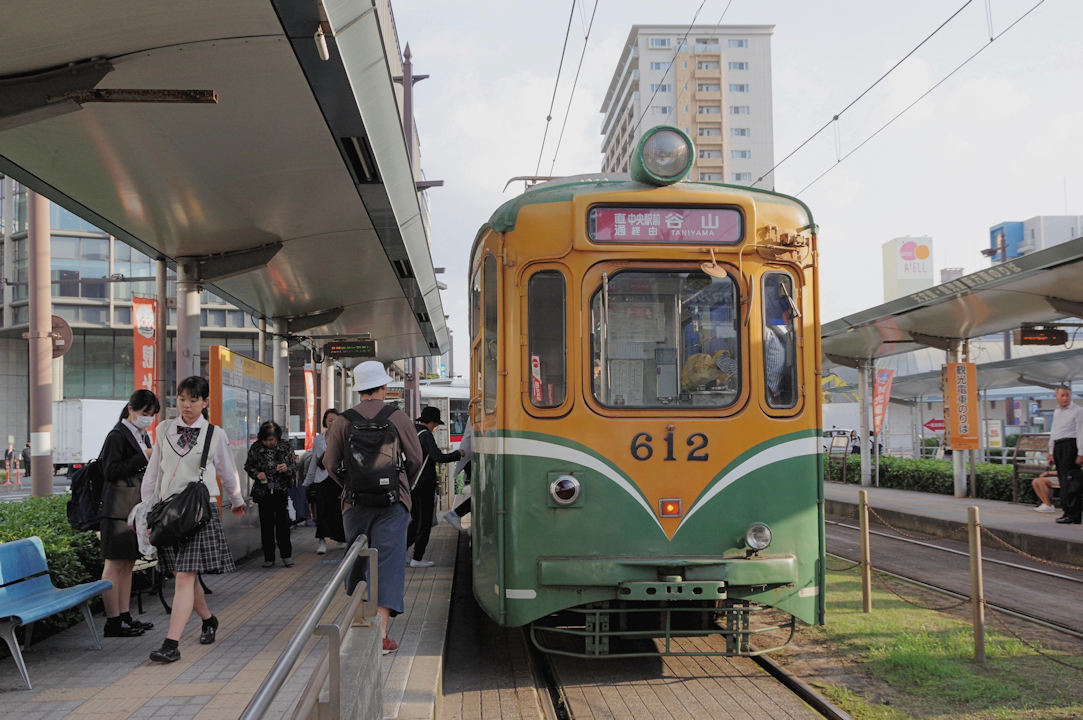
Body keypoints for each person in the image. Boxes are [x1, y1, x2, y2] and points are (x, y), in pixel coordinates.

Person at [141, 376, 247, 663]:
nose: (186, 405)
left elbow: (227, 471)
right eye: (182, 399)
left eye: (193, 399)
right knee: (184, 575)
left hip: (199, 513)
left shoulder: (215, 434)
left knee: (185, 576)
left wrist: (237, 501)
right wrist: (144, 508)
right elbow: (154, 473)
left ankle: (171, 644)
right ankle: (209, 619)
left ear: (205, 402)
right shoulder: (163, 429)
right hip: (169, 513)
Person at [323, 361, 423, 656]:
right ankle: (380, 636)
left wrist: (350, 484)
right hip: (393, 503)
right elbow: (416, 459)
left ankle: (358, 620)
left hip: (354, 504)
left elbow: (329, 464)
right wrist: (402, 484)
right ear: (383, 387)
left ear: (358, 389)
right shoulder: (398, 417)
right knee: (388, 563)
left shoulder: (343, 420)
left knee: (358, 559)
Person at [99, 389, 160, 637]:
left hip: (132, 509)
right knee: (114, 565)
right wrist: (143, 457)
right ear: (130, 409)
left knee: (127, 563)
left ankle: (124, 615)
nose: (148, 418)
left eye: (152, 414)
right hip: (116, 510)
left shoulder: (140, 434)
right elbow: (110, 470)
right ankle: (113, 621)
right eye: (145, 413)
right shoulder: (117, 436)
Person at [408, 407, 462, 566]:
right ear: (431, 422)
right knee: (424, 522)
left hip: (412, 483)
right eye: (436, 424)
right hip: (424, 483)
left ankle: (402, 552)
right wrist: (458, 454)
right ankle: (417, 558)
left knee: (415, 520)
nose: (436, 427)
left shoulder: (413, 432)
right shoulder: (426, 435)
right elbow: (437, 456)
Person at [244, 420, 296, 568]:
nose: (269, 443)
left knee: (283, 524)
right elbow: (248, 466)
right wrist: (256, 473)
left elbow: (294, 464)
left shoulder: (285, 446)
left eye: (272, 440)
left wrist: (286, 468)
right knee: (266, 525)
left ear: (277, 438)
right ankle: (269, 557)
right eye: (266, 440)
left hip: (281, 489)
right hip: (263, 491)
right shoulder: (256, 447)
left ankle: (286, 555)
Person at [305, 408, 346, 555]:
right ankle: (321, 540)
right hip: (321, 478)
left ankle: (340, 537)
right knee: (322, 510)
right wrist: (308, 481)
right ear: (325, 422)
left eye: (335, 419)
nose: (332, 422)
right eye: (329, 420)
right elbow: (314, 461)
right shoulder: (319, 439)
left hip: (337, 479)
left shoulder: (343, 438)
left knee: (338, 509)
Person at [1048, 385, 1083, 524]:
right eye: (1062, 395)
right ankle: (1067, 512)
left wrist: (1081, 453)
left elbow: (1081, 432)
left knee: (1072, 482)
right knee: (1063, 481)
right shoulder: (1057, 412)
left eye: (1067, 395)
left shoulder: (1078, 411)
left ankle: (1074, 515)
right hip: (1059, 447)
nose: (1065, 398)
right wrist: (1051, 451)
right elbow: (1054, 432)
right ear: (1056, 397)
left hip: (1071, 446)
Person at [442, 425, 472, 532]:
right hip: (469, 457)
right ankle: (455, 513)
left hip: (469, 457)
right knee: (483, 494)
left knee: (481, 494)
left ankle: (455, 513)